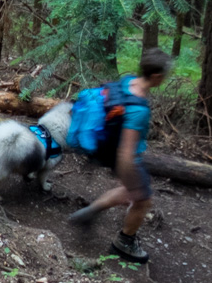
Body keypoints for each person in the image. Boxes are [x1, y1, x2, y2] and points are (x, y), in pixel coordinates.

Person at [66, 47, 172, 262]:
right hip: (123, 157)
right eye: (165, 75)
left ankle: (91, 211)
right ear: (157, 76)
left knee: (130, 192)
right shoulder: (138, 110)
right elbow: (126, 153)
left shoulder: (127, 82)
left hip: (108, 147)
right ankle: (124, 242)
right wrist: (134, 183)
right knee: (143, 200)